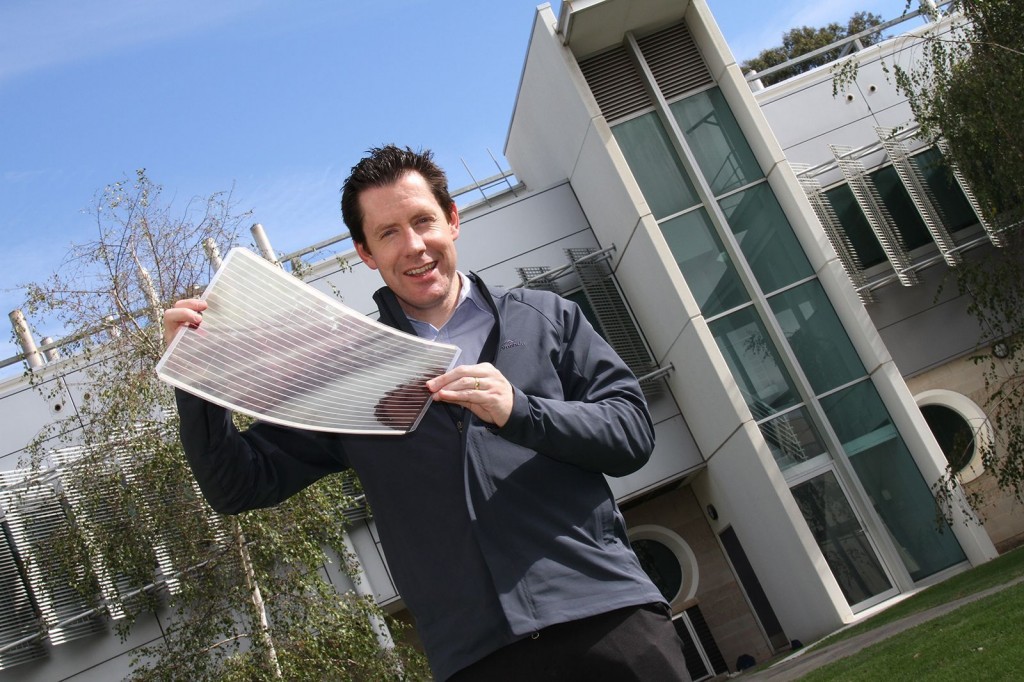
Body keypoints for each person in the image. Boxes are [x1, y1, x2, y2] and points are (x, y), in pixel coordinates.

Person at [164, 145, 690, 681]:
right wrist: (199, 376)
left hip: (610, 622)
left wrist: (521, 411)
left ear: (452, 220)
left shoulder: (549, 317)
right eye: (388, 232)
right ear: (365, 252)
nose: (414, 246)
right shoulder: (352, 374)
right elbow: (237, 485)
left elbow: (631, 433)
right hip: (478, 659)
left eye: (423, 221)